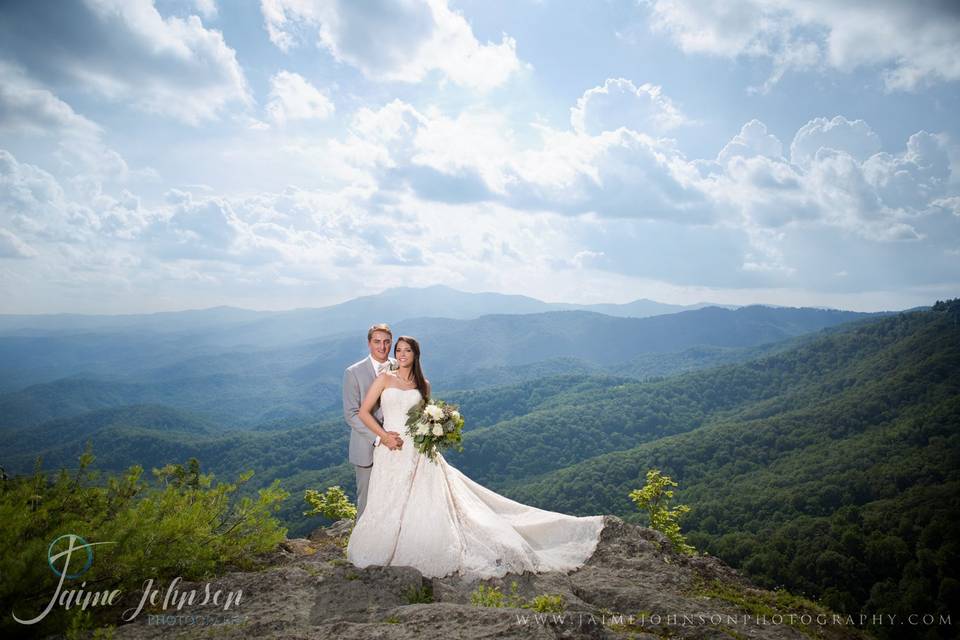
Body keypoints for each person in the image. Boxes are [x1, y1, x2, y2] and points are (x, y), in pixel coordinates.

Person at [346, 335, 605, 579]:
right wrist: (384, 435)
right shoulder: (383, 379)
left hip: (418, 451)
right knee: (388, 499)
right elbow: (364, 412)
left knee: (421, 500)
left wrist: (434, 431)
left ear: (416, 355)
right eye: (398, 350)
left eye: (407, 350)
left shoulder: (423, 385)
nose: (402, 354)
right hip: (390, 449)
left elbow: (424, 417)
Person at [342, 323, 404, 518]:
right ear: (369, 344)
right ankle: (359, 547)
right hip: (367, 445)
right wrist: (380, 438)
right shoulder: (353, 372)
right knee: (366, 501)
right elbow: (351, 414)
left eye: (386, 342)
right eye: (377, 342)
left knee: (395, 498)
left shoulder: (400, 365)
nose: (382, 347)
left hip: (397, 443)